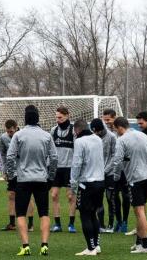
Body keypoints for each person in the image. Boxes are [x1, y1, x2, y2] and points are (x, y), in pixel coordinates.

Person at [6, 105, 57, 257]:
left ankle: (25, 246)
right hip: (41, 179)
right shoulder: (46, 135)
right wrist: (51, 177)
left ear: (25, 118)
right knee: (44, 213)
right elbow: (54, 158)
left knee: (21, 213)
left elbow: (10, 157)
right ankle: (44, 246)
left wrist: (12, 176)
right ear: (38, 118)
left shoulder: (18, 135)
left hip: (23, 179)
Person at [112, 116, 147, 254]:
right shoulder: (143, 135)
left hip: (135, 178)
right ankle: (139, 242)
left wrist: (116, 177)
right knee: (139, 210)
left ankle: (145, 245)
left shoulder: (121, 140)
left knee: (139, 211)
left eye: (115, 129)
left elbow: (117, 160)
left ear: (119, 128)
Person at [71, 119, 105, 256]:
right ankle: (96, 245)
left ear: (77, 130)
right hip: (100, 182)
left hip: (87, 183)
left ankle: (90, 248)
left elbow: (77, 163)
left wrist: (73, 183)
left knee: (85, 215)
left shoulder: (79, 141)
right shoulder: (98, 139)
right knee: (93, 214)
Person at [0, 119, 35, 232]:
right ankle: (12, 223)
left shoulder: (24, 136)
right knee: (11, 195)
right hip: (12, 171)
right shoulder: (3, 138)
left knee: (28, 196)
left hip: (25, 170)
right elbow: (4, 155)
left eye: (11, 131)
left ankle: (30, 224)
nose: (10, 133)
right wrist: (5, 171)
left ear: (16, 128)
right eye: (8, 131)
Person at [49, 107, 77, 233]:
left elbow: (77, 150)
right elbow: (50, 149)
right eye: (56, 117)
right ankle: (57, 224)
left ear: (67, 115)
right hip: (56, 168)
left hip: (70, 168)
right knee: (54, 195)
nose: (58, 120)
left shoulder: (73, 131)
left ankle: (71, 224)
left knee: (70, 196)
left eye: (60, 117)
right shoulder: (53, 130)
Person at [101, 109, 129, 233]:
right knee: (113, 197)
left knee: (125, 195)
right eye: (104, 119)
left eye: (108, 119)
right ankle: (118, 220)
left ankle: (125, 222)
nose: (106, 122)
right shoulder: (105, 133)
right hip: (112, 171)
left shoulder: (122, 130)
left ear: (115, 118)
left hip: (125, 169)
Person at [90, 118, 117, 234]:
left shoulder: (111, 137)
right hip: (97, 175)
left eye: (97, 131)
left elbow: (115, 156)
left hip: (109, 174)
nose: (96, 134)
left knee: (110, 199)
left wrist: (106, 170)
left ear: (101, 129)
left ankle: (111, 225)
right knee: (98, 200)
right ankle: (101, 225)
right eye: (94, 132)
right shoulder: (93, 138)